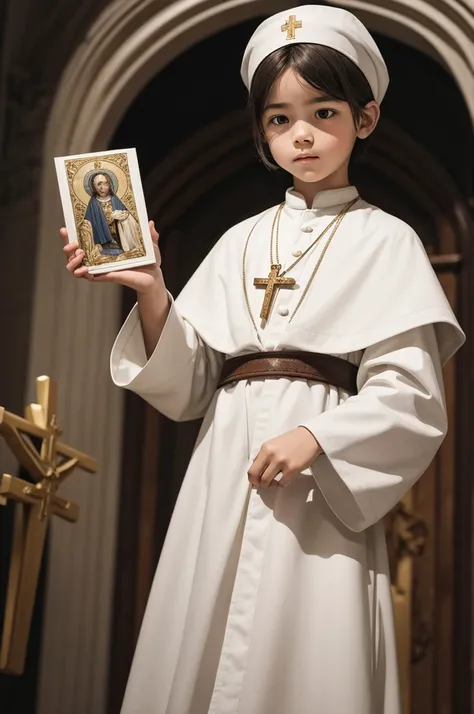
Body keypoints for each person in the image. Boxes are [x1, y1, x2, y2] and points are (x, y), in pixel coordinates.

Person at [62, 6, 464, 714]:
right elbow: (188, 384)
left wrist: (320, 436)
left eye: (323, 111)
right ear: (261, 132)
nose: (301, 134)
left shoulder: (389, 241)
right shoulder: (239, 240)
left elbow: (412, 397)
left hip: (318, 492)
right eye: (279, 119)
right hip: (226, 472)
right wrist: (152, 287)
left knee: (307, 645)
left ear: (364, 119)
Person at [82, 171, 141, 254]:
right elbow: (87, 223)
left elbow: (129, 216)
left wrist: (125, 215)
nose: (103, 187)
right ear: (93, 187)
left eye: (106, 183)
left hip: (121, 239)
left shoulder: (117, 200)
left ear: (110, 184)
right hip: (104, 244)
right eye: (99, 184)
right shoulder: (92, 204)